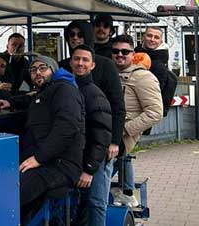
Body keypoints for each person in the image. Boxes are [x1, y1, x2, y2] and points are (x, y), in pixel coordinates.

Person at [0, 55, 85, 222]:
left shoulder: (65, 89)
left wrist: (39, 158)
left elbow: (67, 128)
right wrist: (11, 102)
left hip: (59, 164)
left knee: (7, 194)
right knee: (1, 183)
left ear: (53, 70)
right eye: (33, 70)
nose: (37, 73)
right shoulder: (48, 89)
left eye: (43, 68)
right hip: (46, 161)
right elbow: (33, 99)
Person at [58, 22, 122, 226]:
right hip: (73, 149)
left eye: (80, 35)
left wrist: (114, 141)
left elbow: (116, 106)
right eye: (71, 35)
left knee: (96, 201)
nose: (75, 38)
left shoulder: (103, 70)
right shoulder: (63, 71)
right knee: (76, 201)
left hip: (98, 147)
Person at [110, 34, 163, 207]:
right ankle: (124, 192)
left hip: (122, 137)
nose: (120, 54)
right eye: (116, 51)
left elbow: (155, 112)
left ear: (133, 54)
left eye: (125, 51)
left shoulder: (143, 77)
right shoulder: (108, 73)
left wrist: (124, 129)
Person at [68, 45, 112, 226]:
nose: (80, 63)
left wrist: (89, 169)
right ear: (70, 62)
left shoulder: (94, 93)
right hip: (76, 157)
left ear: (92, 65)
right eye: (77, 59)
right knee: (80, 206)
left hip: (94, 161)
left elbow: (102, 134)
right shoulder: (66, 88)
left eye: (85, 60)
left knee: (96, 204)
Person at [136, 27, 178, 119]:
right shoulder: (134, 53)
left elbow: (155, 92)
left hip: (144, 110)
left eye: (156, 37)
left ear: (161, 41)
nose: (152, 39)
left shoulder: (160, 65)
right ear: (143, 37)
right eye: (149, 36)